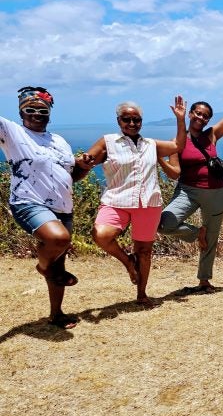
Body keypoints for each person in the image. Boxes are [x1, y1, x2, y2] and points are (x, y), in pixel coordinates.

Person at [77, 97, 187, 306]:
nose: (132, 124)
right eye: (127, 119)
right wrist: (84, 161)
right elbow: (88, 159)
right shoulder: (108, 142)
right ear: (119, 121)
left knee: (144, 251)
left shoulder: (150, 145)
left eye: (136, 120)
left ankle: (142, 294)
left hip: (148, 202)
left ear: (141, 122)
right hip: (116, 201)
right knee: (101, 235)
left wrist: (180, 120)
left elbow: (177, 146)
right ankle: (128, 262)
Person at [1, 87, 83, 328]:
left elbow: (69, 175)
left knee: (60, 264)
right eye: (30, 110)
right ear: (21, 112)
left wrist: (84, 167)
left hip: (63, 206)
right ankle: (42, 266)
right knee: (59, 239)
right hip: (28, 202)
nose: (36, 114)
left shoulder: (59, 141)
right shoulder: (13, 133)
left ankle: (56, 314)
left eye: (42, 110)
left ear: (49, 113)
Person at [158, 75, 223, 292]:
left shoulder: (211, 135)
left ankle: (204, 280)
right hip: (188, 191)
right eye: (197, 113)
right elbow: (174, 174)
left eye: (205, 116)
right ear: (190, 114)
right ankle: (196, 234)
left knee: (212, 237)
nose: (201, 118)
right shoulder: (178, 141)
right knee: (164, 224)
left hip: (215, 192)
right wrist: (159, 160)